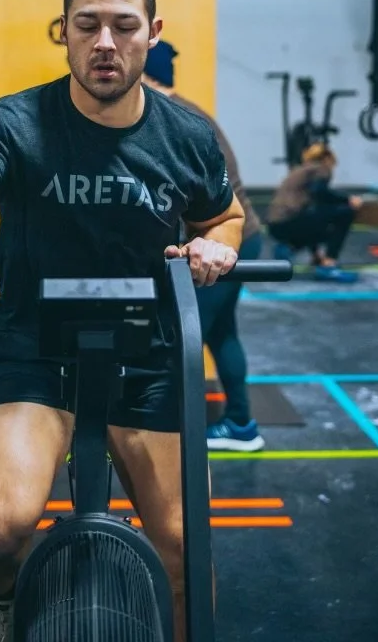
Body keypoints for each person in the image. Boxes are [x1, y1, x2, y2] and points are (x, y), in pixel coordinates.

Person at [0, 0, 245, 642]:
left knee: (184, 546)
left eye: (124, 26)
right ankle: (3, 605)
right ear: (63, 30)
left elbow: (223, 215)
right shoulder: (12, 122)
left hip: (148, 357)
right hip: (35, 353)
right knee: (0, 529)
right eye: (87, 25)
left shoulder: (187, 135)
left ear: (153, 33)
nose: (105, 43)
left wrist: (216, 245)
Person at [142, 40, 265, 452]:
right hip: (244, 236)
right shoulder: (183, 110)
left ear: (144, 72)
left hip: (228, 238)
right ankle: (242, 424)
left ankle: (169, 435)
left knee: (180, 339)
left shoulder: (173, 119)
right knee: (222, 332)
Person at [266, 142, 362, 281]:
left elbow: (313, 210)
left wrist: (315, 254)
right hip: (290, 221)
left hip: (276, 226)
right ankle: (328, 265)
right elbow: (320, 192)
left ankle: (289, 247)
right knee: (345, 213)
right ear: (327, 159)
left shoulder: (301, 170)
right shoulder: (321, 168)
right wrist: (348, 200)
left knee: (320, 217)